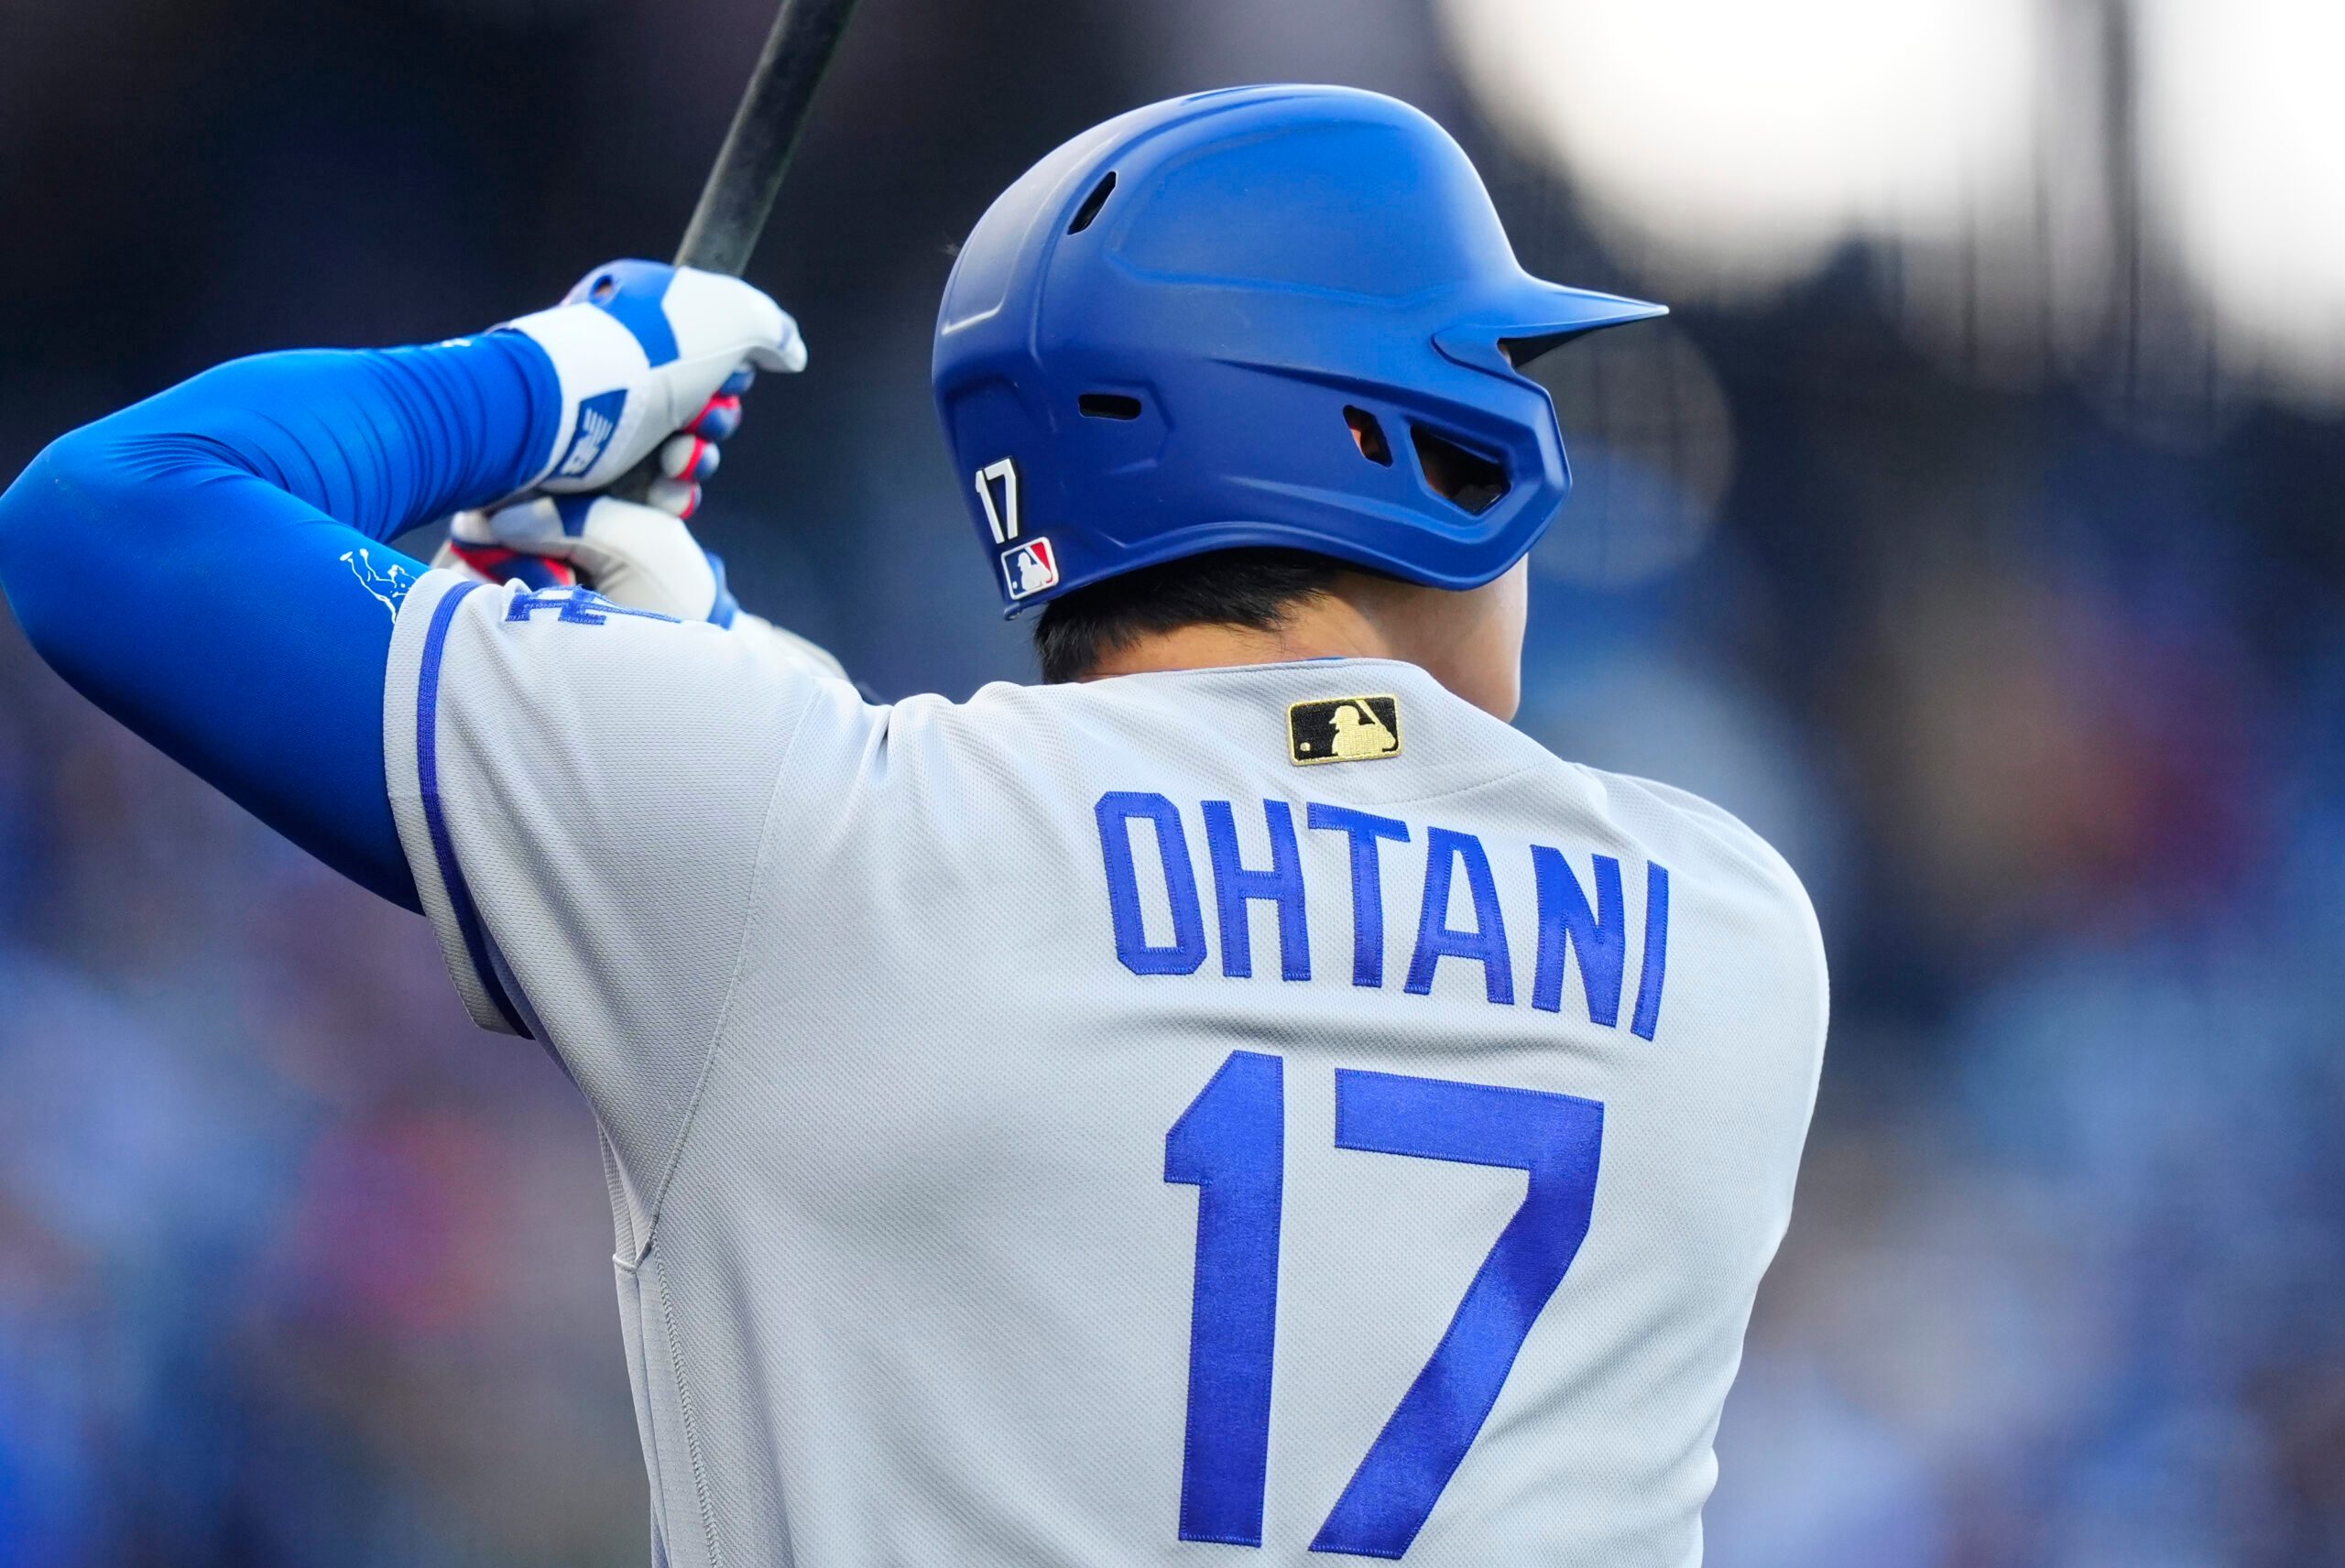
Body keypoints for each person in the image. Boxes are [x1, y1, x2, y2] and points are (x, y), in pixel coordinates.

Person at [0, 85, 1826, 1567]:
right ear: (1420, 443)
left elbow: (115, 515)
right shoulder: (1732, 933)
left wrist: (558, 375)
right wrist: (701, 673)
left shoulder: (793, 835)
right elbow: (1239, 848)